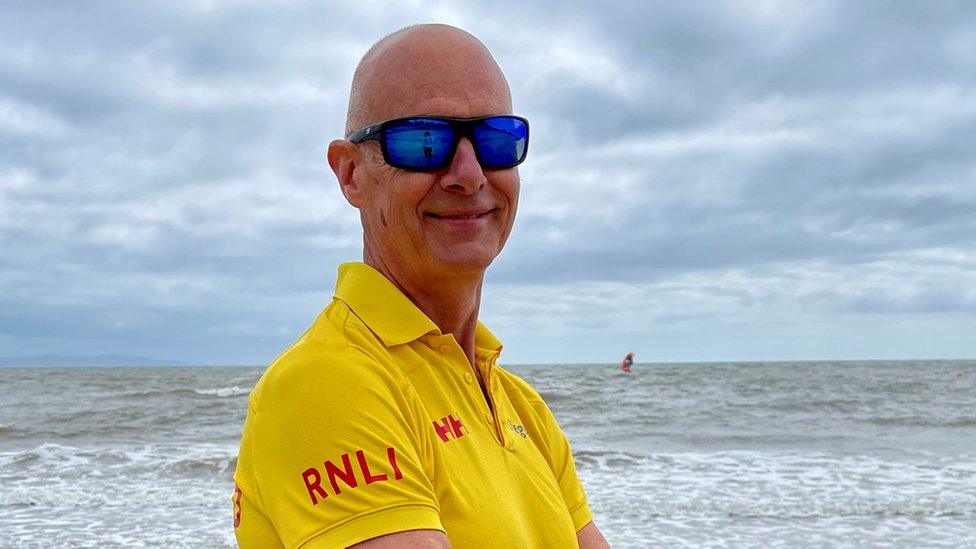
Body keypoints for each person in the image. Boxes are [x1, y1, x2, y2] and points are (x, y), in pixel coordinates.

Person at [232, 24, 610, 548]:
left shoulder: (521, 405)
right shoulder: (324, 383)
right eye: (423, 142)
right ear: (350, 174)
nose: (470, 174)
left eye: (496, 140)